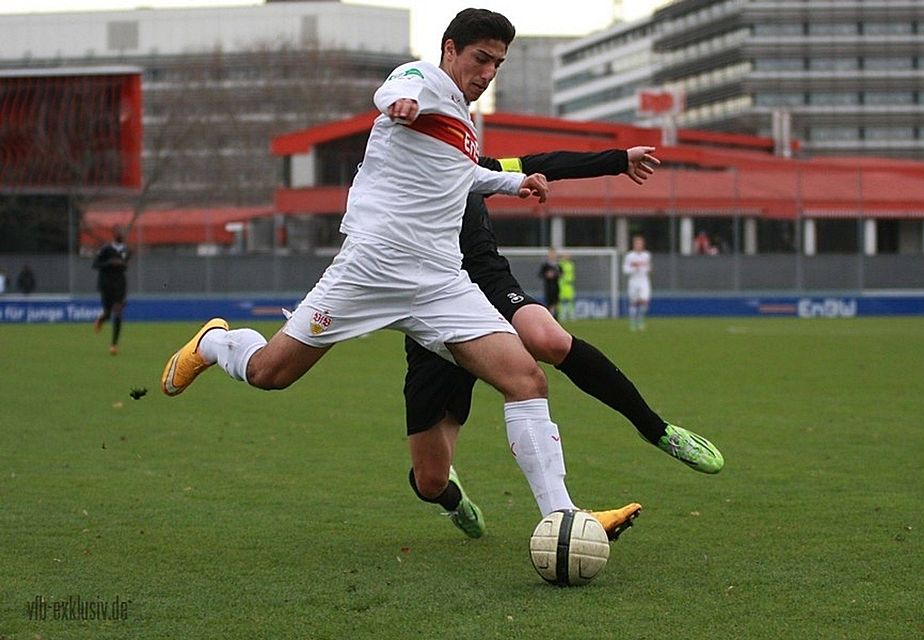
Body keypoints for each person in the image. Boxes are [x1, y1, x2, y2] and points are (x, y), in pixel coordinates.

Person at [161, 9, 639, 539]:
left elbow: (459, 176)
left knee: (526, 379)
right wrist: (399, 103)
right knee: (269, 374)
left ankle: (563, 519)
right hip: (372, 269)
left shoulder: (462, 121)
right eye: (480, 59)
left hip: (440, 282)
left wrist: (517, 183)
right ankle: (217, 344)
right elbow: (394, 89)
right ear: (450, 49)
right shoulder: (423, 81)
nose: (486, 73)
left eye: (498, 64)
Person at [404, 147, 724, 540]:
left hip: (486, 282)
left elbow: (542, 165)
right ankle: (453, 501)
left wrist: (618, 160)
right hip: (433, 310)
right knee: (429, 481)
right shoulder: (397, 177)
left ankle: (656, 430)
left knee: (548, 338)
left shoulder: (475, 166)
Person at [93, 227, 130, 355]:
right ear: (114, 235)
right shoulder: (106, 249)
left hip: (119, 285)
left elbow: (125, 264)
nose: (121, 235)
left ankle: (114, 345)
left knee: (118, 312)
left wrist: (121, 264)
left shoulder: (126, 249)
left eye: (122, 233)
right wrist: (110, 263)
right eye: (119, 233)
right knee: (108, 313)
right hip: (106, 284)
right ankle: (101, 318)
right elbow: (95, 264)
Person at [622, 234, 652, 331]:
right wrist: (634, 267)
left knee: (644, 300)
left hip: (643, 280)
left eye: (640, 243)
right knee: (634, 302)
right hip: (633, 281)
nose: (639, 245)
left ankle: (640, 320)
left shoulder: (646, 255)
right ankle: (633, 323)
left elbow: (649, 268)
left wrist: (644, 267)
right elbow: (625, 270)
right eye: (637, 243)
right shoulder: (629, 256)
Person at [538, 248, 560, 317]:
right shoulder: (545, 265)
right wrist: (546, 275)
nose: (552, 255)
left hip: (556, 287)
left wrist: (556, 274)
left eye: (553, 254)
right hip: (548, 287)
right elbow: (540, 274)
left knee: (556, 302)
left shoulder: (557, 265)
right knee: (549, 303)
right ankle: (550, 316)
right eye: (551, 254)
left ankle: (555, 317)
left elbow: (561, 273)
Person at [557, 252, 576, 321]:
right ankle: (562, 315)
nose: (567, 257)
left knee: (570, 301)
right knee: (562, 301)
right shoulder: (560, 264)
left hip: (569, 285)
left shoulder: (571, 264)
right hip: (562, 285)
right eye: (566, 256)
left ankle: (571, 315)